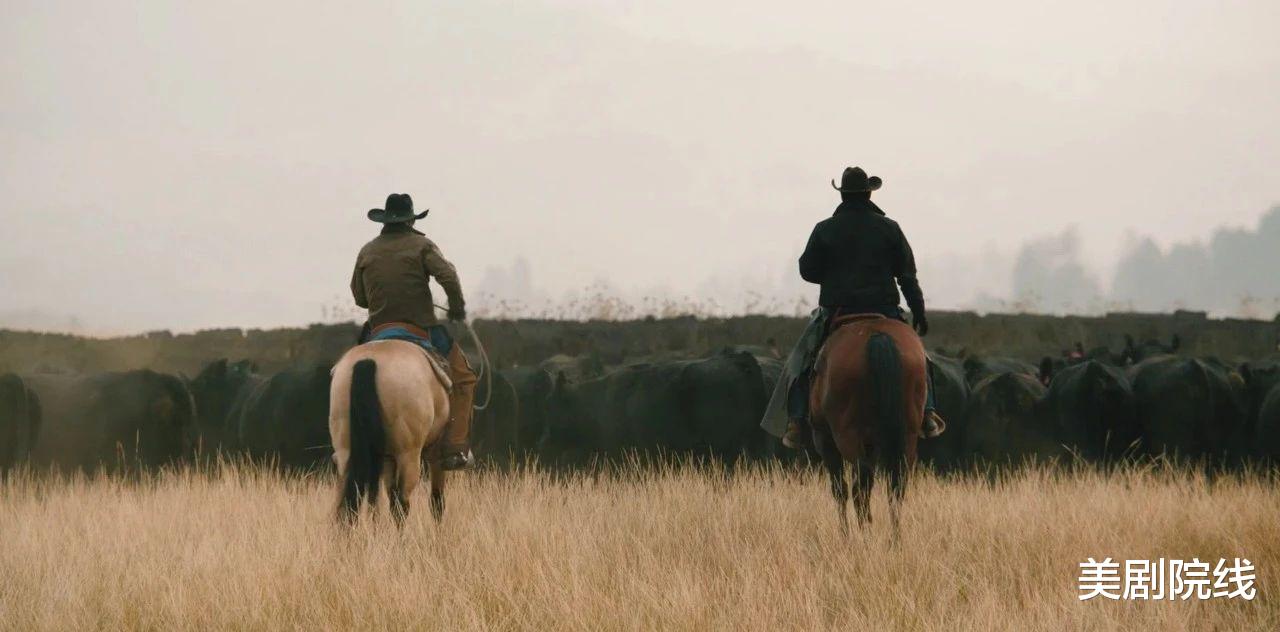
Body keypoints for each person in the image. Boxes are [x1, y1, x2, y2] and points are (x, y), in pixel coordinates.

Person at [782, 167, 945, 449]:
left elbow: (807, 270)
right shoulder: (890, 228)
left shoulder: (825, 229)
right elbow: (907, 276)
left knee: (801, 361)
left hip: (838, 310)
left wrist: (832, 273)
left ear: (843, 195)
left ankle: (797, 422)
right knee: (922, 361)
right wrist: (919, 312)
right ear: (869, 193)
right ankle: (928, 413)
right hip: (885, 309)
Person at [350, 193, 478, 470]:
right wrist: (456, 307)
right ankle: (455, 448)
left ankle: (344, 444)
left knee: (344, 375)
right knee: (465, 377)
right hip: (419, 329)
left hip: (378, 330)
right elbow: (447, 276)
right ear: (410, 220)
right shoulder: (422, 245)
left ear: (384, 219)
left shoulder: (367, 250)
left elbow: (359, 297)